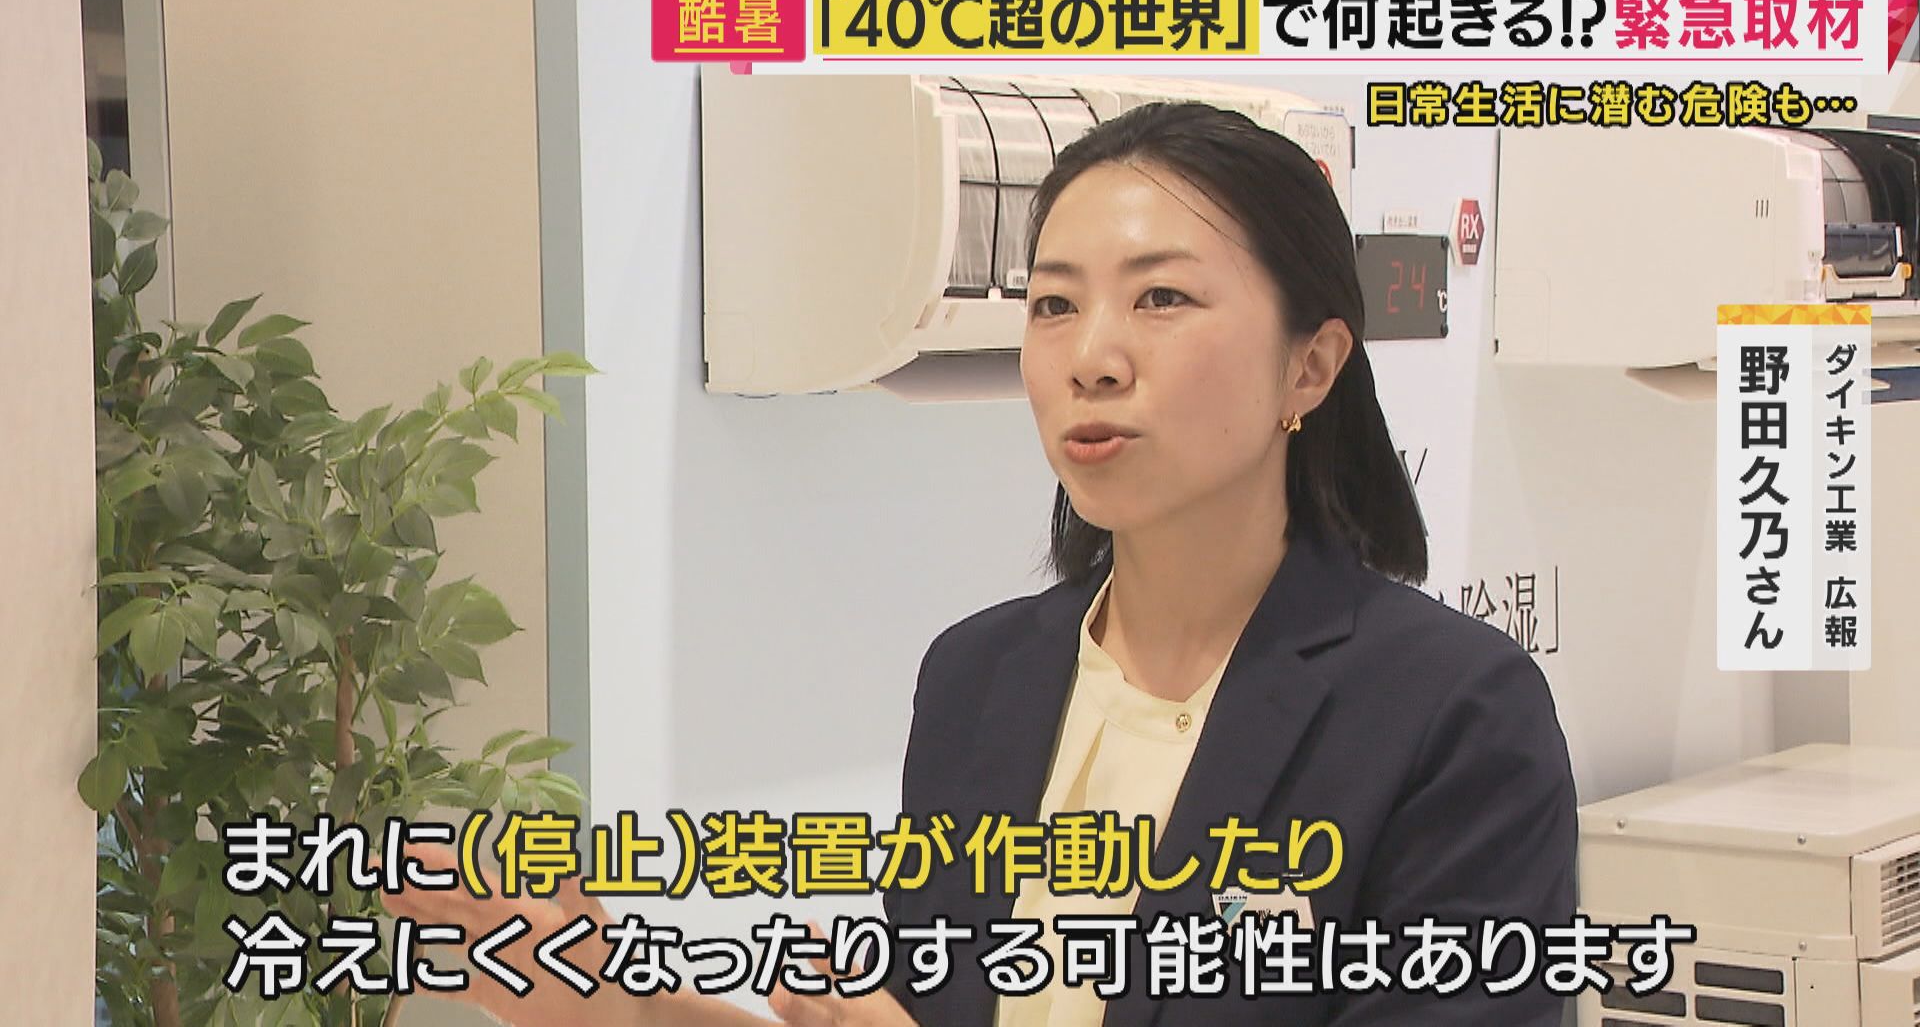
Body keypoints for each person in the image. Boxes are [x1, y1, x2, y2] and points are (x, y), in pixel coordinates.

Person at [383, 101, 1578, 1027]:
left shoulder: (1451, 715)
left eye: (1161, 297)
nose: (1092, 357)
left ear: (1309, 366)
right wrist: (620, 1005)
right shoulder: (980, 677)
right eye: (1053, 306)